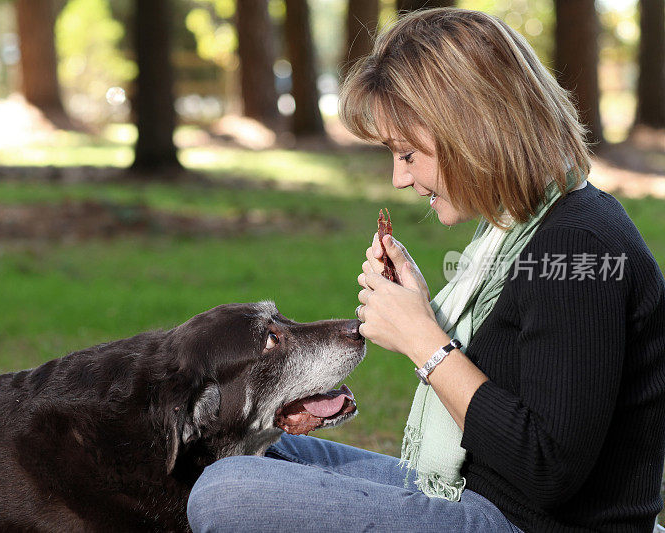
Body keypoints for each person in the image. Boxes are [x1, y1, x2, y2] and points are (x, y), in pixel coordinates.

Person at [187, 8, 665, 532]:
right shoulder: (520, 229)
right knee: (241, 461)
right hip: (477, 494)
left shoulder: (579, 250)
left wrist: (424, 340)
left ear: (474, 129)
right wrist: (425, 307)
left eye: (409, 153)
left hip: (525, 522)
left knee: (226, 493)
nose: (398, 177)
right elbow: (516, 373)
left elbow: (545, 470)